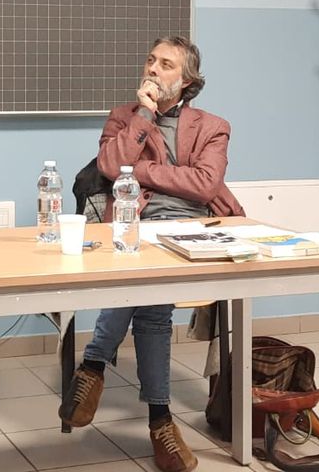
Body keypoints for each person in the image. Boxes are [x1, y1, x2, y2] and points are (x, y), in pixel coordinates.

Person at [58, 36, 243, 472]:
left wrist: (140, 171)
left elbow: (205, 186)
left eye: (166, 64)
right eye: (151, 60)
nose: (153, 69)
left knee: (142, 289)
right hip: (133, 226)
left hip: (191, 230)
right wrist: (144, 115)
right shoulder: (124, 117)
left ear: (187, 80)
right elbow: (109, 167)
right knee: (152, 303)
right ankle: (160, 421)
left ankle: (93, 364)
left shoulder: (213, 126)